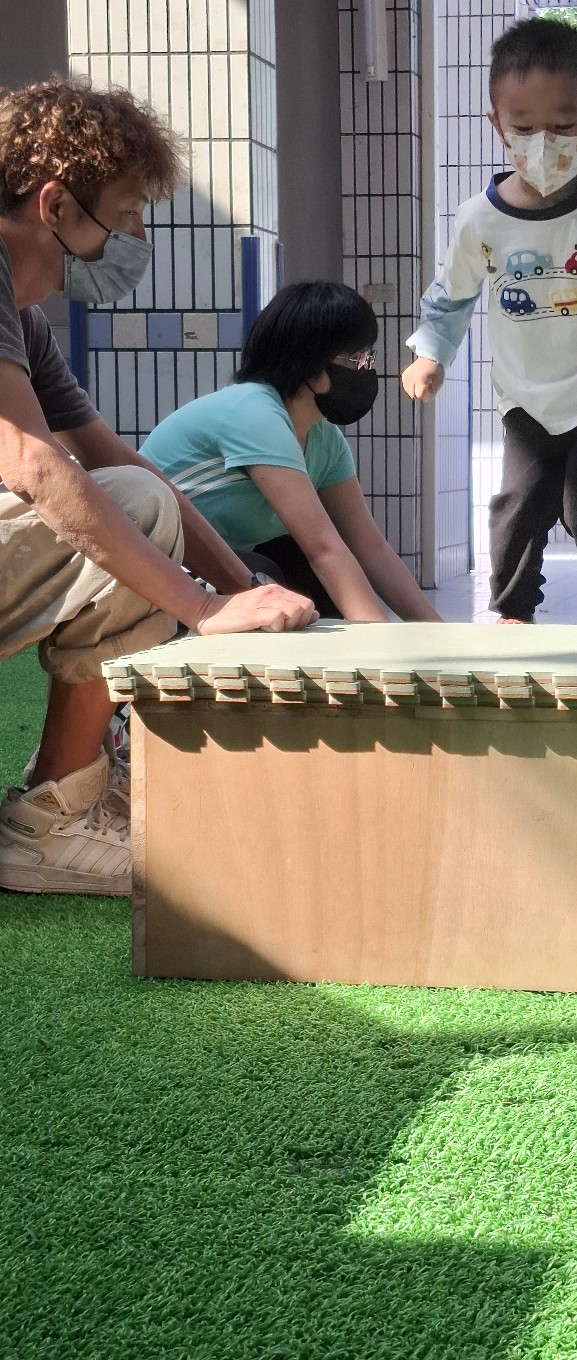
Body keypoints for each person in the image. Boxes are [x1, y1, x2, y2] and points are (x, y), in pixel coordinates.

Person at [0, 77, 315, 898]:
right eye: (128, 212)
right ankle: (47, 829)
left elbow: (127, 463)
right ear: (55, 205)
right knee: (122, 509)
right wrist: (203, 609)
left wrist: (240, 591)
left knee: (130, 498)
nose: (138, 235)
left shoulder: (23, 320)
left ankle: (64, 794)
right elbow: (32, 464)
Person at [400, 16, 577, 625]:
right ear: (496, 124)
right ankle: (512, 610)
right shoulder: (478, 219)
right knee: (520, 500)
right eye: (524, 128)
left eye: (562, 127)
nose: (542, 144)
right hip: (525, 395)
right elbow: (451, 295)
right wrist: (430, 354)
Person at [143, 281, 442, 624]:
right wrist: (378, 647)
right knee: (271, 576)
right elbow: (323, 550)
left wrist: (438, 635)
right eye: (358, 359)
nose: (365, 369)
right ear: (311, 364)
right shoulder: (254, 413)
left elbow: (369, 547)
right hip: (154, 571)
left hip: (211, 565)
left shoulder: (323, 438)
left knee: (311, 578)